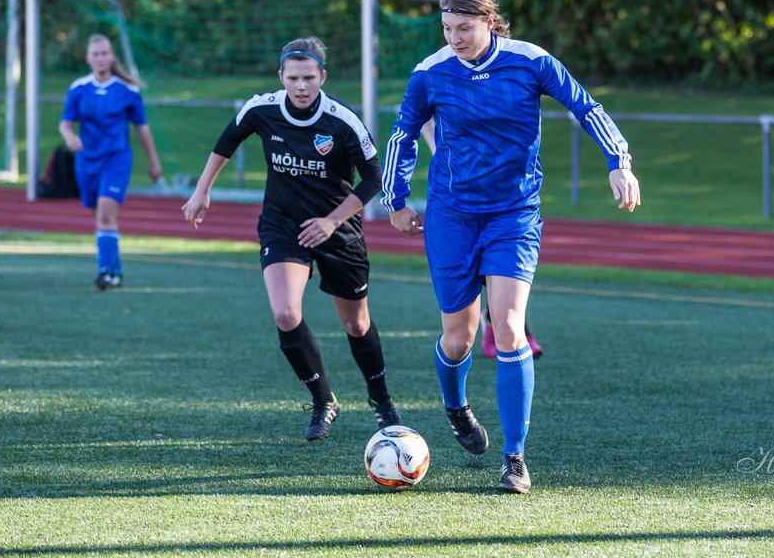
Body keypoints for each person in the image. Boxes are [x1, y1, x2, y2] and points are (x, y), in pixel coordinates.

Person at [382, 0, 640, 494]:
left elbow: (586, 106)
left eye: (464, 28)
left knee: (508, 328)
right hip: (452, 217)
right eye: (447, 29)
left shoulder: (531, 61)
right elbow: (403, 133)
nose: (454, 38)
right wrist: (395, 200)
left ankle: (515, 458)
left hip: (513, 214)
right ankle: (456, 408)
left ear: (489, 22)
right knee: (458, 338)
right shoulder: (430, 72)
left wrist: (619, 162)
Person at [181, 37, 401, 441]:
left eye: (309, 78)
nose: (301, 86)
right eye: (293, 78)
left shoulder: (342, 120)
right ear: (281, 77)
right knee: (285, 313)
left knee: (356, 323)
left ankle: (381, 402)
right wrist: (202, 190)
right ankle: (323, 401)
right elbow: (227, 140)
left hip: (338, 229)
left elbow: (374, 179)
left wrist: (332, 222)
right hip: (283, 224)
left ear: (323, 77)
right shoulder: (262, 108)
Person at [418, 117, 543, 361]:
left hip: (507, 192)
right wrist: (441, 151)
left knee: (507, 269)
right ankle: (492, 325)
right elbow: (419, 114)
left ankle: (511, 329)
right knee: (458, 340)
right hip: (458, 198)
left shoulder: (512, 81)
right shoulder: (432, 78)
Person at [59, 34, 163, 289]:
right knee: (99, 216)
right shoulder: (78, 88)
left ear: (112, 56)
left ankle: (106, 271)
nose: (101, 58)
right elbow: (65, 124)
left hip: (116, 159)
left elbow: (142, 128)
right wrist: (71, 137)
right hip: (86, 161)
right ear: (88, 58)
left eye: (105, 53)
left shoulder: (128, 91)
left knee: (106, 213)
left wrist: (153, 161)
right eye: (96, 54)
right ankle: (114, 270)